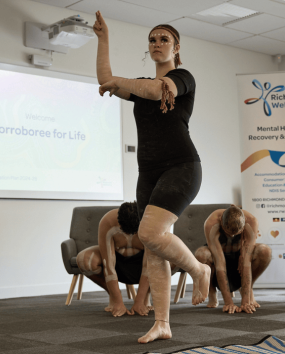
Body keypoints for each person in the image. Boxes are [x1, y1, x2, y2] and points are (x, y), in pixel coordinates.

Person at [94, 11, 211, 343]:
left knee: (149, 231)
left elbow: (159, 91)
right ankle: (162, 323)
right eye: (152, 40)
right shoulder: (138, 84)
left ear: (176, 47)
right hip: (148, 173)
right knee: (154, 245)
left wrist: (119, 83)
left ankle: (199, 269)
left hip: (182, 167)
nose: (157, 43)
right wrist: (103, 40)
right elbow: (106, 77)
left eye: (164, 39)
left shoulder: (182, 78)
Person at [76, 202, 175, 317]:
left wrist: (139, 301)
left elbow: (148, 265)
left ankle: (145, 298)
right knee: (85, 260)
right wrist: (118, 301)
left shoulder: (152, 224)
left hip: (142, 264)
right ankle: (113, 296)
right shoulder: (107, 221)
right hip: (119, 263)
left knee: (173, 258)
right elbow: (108, 264)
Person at [195, 206, 271, 314]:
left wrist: (245, 302)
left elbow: (246, 263)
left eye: (237, 233)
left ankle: (248, 290)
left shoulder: (251, 222)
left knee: (265, 251)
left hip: (238, 254)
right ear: (221, 221)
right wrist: (228, 302)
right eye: (228, 233)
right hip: (218, 254)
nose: (232, 236)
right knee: (201, 254)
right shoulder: (211, 223)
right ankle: (211, 292)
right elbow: (220, 263)